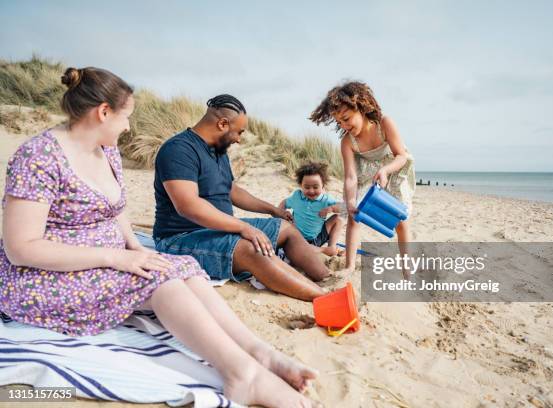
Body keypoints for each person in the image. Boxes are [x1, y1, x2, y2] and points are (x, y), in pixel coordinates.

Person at [0, 67, 319, 408]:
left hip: (106, 258)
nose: (128, 126)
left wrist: (134, 246)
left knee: (185, 270)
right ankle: (242, 374)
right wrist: (117, 257)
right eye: (126, 117)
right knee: (162, 281)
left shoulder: (105, 151)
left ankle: (261, 354)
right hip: (46, 276)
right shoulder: (39, 158)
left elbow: (116, 208)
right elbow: (21, 249)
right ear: (103, 112)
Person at [153, 95, 329, 301]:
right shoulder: (178, 150)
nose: (238, 139)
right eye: (239, 132)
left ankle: (327, 278)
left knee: (285, 229)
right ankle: (323, 298)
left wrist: (272, 210)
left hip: (219, 229)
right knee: (251, 248)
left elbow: (230, 190)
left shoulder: (218, 152)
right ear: (222, 124)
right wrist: (242, 227)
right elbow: (188, 205)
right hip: (181, 237)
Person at [310, 81, 416, 273]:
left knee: (401, 220)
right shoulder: (347, 142)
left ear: (361, 107)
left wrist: (385, 171)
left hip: (393, 167)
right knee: (353, 217)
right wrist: (350, 201)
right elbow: (350, 177)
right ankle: (349, 266)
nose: (343, 125)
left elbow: (401, 156)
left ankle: (406, 269)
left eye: (346, 118)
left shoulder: (384, 124)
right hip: (366, 172)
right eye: (338, 122)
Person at [279, 162, 344, 256]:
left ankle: (331, 247)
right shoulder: (297, 196)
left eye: (315, 187)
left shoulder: (325, 200)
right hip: (297, 237)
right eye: (307, 187)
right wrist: (281, 212)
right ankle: (324, 250)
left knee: (338, 219)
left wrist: (332, 208)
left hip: (316, 238)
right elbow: (284, 202)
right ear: (301, 186)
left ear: (322, 186)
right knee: (295, 247)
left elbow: (344, 208)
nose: (311, 191)